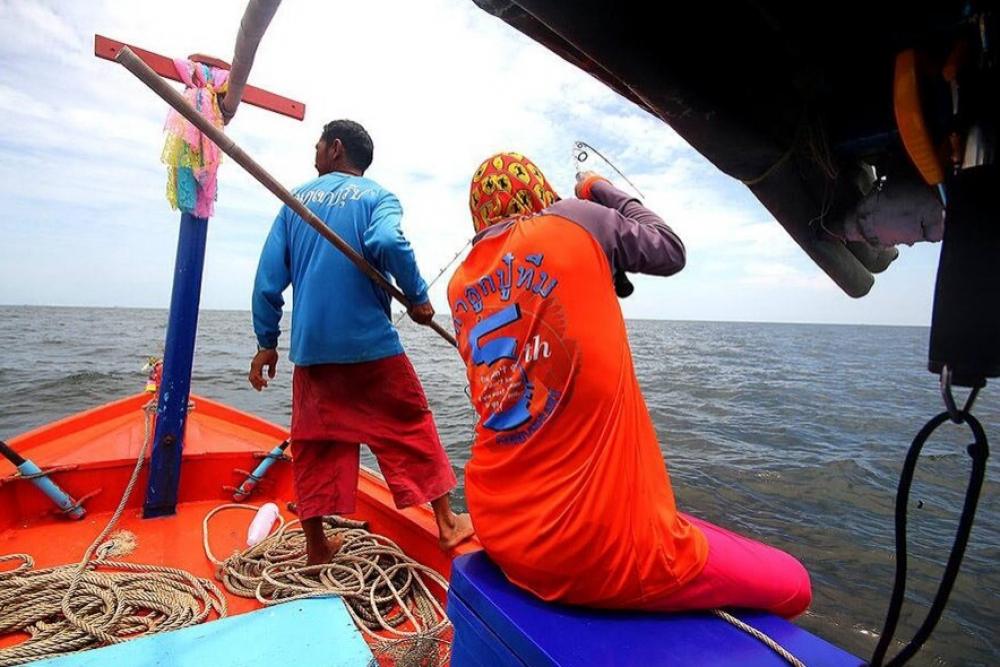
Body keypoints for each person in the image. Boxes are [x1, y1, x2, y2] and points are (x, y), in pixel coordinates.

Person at [446, 152, 811, 617]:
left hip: (498, 526)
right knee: (794, 584)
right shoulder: (572, 219)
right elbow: (668, 249)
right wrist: (598, 187)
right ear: (538, 193)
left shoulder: (461, 285)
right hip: (596, 554)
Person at [249, 120, 474, 565]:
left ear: (335, 149)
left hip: (313, 352)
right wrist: (418, 297)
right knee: (410, 426)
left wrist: (266, 341)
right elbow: (387, 240)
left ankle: (317, 547)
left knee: (314, 442)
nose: (313, 150)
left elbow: (268, 280)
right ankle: (447, 525)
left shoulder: (294, 203)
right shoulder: (378, 197)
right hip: (371, 348)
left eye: (318, 143)